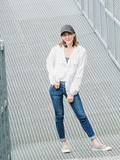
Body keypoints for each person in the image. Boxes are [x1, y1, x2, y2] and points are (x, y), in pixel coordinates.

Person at [46, 24, 112, 153]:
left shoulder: (81, 51)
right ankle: (64, 144)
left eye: (69, 34)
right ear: (61, 37)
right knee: (59, 115)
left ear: (74, 34)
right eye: (64, 35)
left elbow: (79, 73)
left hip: (70, 86)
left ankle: (95, 143)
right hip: (56, 86)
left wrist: (72, 92)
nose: (67, 37)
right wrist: (53, 79)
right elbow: (49, 64)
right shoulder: (56, 49)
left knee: (81, 114)